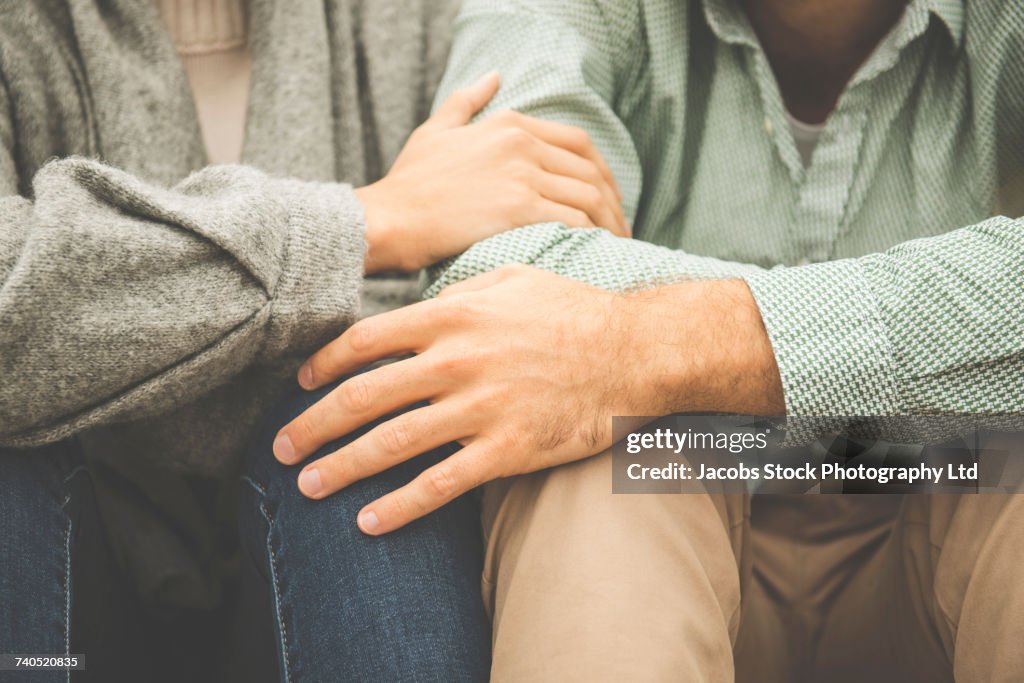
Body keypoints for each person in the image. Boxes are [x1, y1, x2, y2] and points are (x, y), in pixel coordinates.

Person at [272, 0, 1024, 680]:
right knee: (594, 458)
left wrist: (649, 343)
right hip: (675, 506)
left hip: (941, 492)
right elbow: (491, 262)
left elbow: (564, 319)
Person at [0, 1, 627, 681]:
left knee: (380, 410)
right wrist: (372, 224)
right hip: (65, 608)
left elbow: (502, 319)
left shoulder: (426, 18)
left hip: (325, 558)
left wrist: (92, 308)